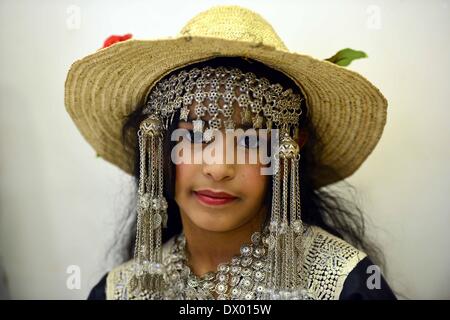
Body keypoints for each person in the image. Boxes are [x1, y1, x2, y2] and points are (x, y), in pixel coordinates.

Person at [65, 6, 396, 300]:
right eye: (194, 134)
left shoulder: (347, 286)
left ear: (289, 150)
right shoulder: (116, 292)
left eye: (250, 140)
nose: (219, 166)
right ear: (155, 142)